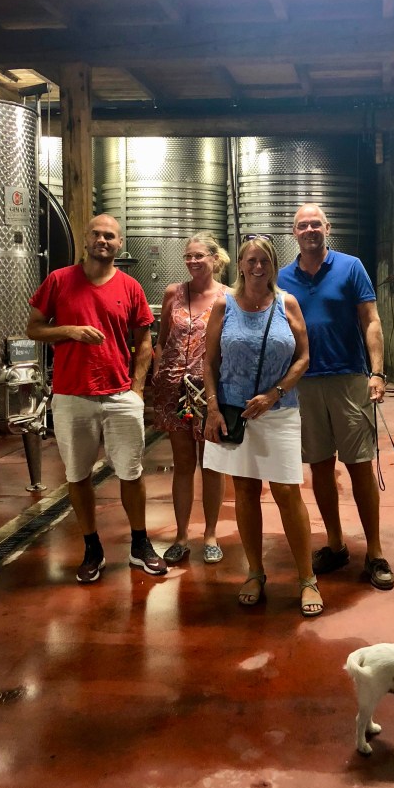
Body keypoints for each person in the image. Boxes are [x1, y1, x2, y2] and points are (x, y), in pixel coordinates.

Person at [26, 213, 167, 583]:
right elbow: (33, 328)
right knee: (78, 475)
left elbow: (144, 342)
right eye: (97, 234)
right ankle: (92, 548)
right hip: (72, 395)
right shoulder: (59, 281)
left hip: (120, 395)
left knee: (131, 473)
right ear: (86, 240)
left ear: (119, 244)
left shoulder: (131, 287)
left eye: (110, 236)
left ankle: (140, 544)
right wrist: (69, 330)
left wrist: (137, 391)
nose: (103, 241)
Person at [202, 235, 323, 617]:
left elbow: (303, 358)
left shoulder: (287, 303)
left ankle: (307, 578)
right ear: (240, 264)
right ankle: (255, 572)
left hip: (279, 411)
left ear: (273, 266)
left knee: (287, 491)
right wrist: (213, 408)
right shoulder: (224, 305)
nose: (257, 267)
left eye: (264, 261)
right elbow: (209, 361)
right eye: (251, 260)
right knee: (245, 491)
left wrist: (274, 394)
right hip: (235, 412)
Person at [277, 203, 393, 591]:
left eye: (316, 224)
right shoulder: (282, 278)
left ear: (327, 228)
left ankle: (374, 551)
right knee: (320, 466)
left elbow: (370, 320)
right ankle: (335, 543)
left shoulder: (350, 267)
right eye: (302, 225)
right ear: (294, 232)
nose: (309, 230)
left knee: (360, 465)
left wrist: (376, 372)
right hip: (304, 383)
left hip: (349, 378)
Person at [152, 232, 229, 565]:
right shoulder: (174, 293)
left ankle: (210, 534)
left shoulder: (228, 296)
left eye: (199, 255)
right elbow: (162, 339)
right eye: (189, 256)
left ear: (214, 258)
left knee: (211, 464)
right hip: (173, 391)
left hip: (209, 390)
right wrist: (159, 374)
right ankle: (181, 536)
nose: (193, 261)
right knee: (182, 464)